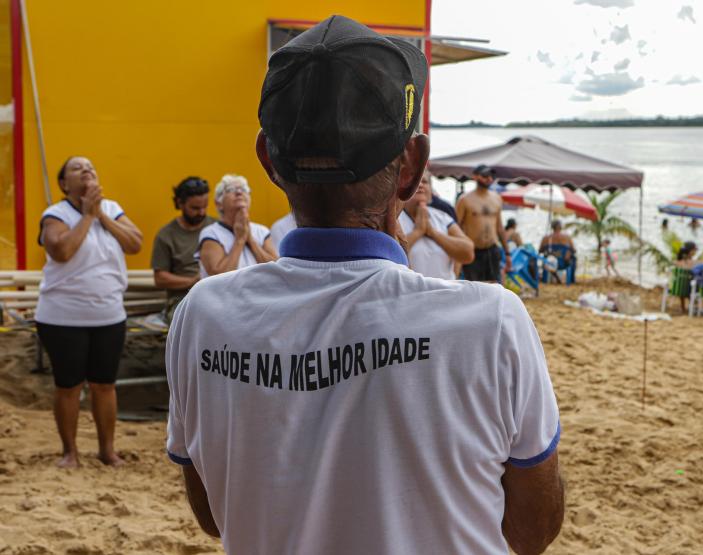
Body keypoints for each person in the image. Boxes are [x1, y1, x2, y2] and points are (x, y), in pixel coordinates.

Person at [165, 16, 563, 555]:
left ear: (269, 162)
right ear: (412, 168)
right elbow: (532, 533)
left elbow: (214, 515)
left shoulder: (204, 315)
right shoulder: (490, 322)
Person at [36, 156, 143, 468]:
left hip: (109, 314)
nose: (86, 170)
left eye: (90, 167)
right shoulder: (55, 214)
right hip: (62, 317)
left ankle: (107, 451)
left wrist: (101, 215)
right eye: (77, 168)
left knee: (104, 384)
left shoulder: (112, 208)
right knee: (68, 385)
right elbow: (61, 251)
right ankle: (70, 452)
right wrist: (86, 216)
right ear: (63, 183)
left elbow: (135, 243)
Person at [151, 177, 216, 323]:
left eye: (205, 207)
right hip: (182, 299)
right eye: (195, 208)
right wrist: (194, 281)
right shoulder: (166, 235)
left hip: (216, 292)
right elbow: (160, 278)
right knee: (196, 319)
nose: (202, 212)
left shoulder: (216, 227)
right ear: (180, 203)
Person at [196, 174, 277, 277]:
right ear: (218, 204)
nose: (239, 192)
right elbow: (219, 277)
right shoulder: (211, 233)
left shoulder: (262, 231)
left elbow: (276, 270)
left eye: (244, 189)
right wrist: (239, 240)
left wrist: (250, 239)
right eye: (231, 189)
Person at [400, 170, 474, 279]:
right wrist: (417, 232)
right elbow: (389, 254)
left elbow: (468, 253)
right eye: (414, 181)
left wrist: (433, 233)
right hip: (411, 288)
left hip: (445, 288)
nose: (420, 185)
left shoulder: (443, 217)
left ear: (431, 190)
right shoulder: (395, 218)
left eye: (425, 182)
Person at [456, 164, 512, 281]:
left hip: (492, 249)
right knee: (474, 287)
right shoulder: (465, 200)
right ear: (475, 177)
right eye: (485, 175)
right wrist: (458, 254)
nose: (489, 178)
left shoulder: (497, 198)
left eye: (491, 176)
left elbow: (500, 228)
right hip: (473, 250)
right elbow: (455, 227)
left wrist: (507, 253)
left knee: (494, 286)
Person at [671, 241, 699, 313]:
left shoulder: (676, 262)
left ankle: (683, 307)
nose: (695, 252)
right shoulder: (693, 263)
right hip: (688, 289)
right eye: (694, 250)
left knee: (682, 283)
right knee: (694, 284)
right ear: (690, 251)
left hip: (677, 288)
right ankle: (694, 305)